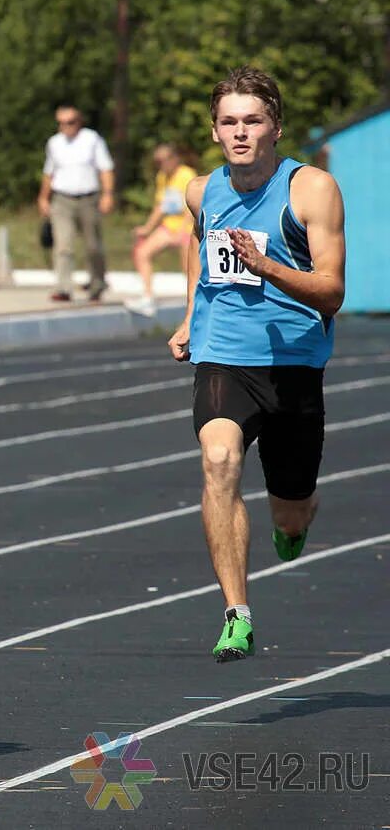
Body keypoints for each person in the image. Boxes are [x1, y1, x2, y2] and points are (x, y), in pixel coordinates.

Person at [166, 67, 345, 663]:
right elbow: (199, 245)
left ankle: (291, 525)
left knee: (291, 509)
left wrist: (267, 268)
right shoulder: (201, 190)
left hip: (293, 362)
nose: (240, 133)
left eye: (253, 121)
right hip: (224, 355)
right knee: (219, 459)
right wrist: (192, 315)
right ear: (215, 130)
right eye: (229, 122)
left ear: (275, 127)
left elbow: (331, 291)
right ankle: (236, 612)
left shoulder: (311, 189)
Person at [36, 103, 115, 302]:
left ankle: (97, 284)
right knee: (63, 245)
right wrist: (43, 197)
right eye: (61, 123)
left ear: (79, 122)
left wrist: (108, 194)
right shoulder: (54, 143)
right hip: (62, 199)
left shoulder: (91, 139)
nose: (66, 127)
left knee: (92, 245)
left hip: (88, 198)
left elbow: (105, 168)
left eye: (70, 122)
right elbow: (49, 172)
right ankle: (63, 287)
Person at [125, 143, 197, 316]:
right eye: (158, 162)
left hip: (187, 226)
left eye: (164, 160)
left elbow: (192, 206)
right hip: (169, 226)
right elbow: (161, 206)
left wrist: (182, 231)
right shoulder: (162, 177)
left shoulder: (186, 175)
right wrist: (147, 228)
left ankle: (194, 305)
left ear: (174, 158)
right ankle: (148, 298)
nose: (162, 165)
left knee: (189, 267)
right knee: (142, 253)